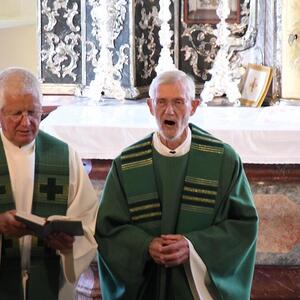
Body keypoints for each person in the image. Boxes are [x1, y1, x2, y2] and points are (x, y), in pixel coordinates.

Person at [95, 69, 258, 300]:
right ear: (151, 106)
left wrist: (193, 247)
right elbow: (108, 229)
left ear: (194, 106)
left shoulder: (223, 160)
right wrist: (144, 246)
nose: (169, 110)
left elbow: (243, 225)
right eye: (161, 102)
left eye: (179, 102)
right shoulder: (127, 164)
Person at [0, 67, 99, 300]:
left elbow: (89, 219)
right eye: (16, 114)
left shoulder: (64, 156)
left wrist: (68, 245)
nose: (26, 122)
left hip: (50, 282)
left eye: (33, 112)